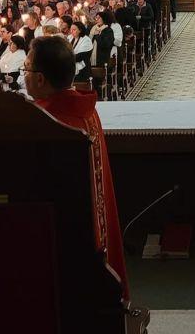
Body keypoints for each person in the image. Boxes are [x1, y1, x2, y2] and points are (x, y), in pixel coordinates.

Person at [23, 36, 129, 299]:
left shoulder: (50, 121)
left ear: (39, 79)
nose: (22, 75)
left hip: (67, 239)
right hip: (89, 229)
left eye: (26, 69)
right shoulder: (84, 110)